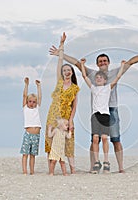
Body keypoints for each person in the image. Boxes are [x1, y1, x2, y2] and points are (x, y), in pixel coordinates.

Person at [49, 34, 138, 173]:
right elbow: (77, 63)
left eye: (104, 61)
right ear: (97, 64)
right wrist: (61, 53)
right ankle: (92, 166)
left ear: (108, 62)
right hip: (96, 112)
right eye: (100, 61)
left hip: (111, 110)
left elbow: (131, 62)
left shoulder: (114, 72)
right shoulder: (93, 74)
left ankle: (120, 167)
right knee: (94, 140)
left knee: (115, 139)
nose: (102, 63)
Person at [81, 58, 125, 173]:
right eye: (97, 78)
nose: (98, 79)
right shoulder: (93, 88)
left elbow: (117, 78)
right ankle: (96, 162)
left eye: (101, 78)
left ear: (105, 80)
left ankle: (106, 161)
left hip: (105, 115)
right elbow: (85, 77)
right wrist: (82, 64)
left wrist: (122, 65)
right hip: (95, 116)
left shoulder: (108, 88)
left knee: (105, 138)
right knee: (95, 139)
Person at [45, 32, 80, 174]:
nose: (66, 71)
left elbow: (74, 106)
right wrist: (62, 45)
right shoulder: (59, 82)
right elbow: (59, 61)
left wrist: (71, 120)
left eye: (68, 70)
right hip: (53, 114)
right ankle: (51, 169)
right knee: (50, 141)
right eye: (64, 70)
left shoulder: (75, 88)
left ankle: (72, 169)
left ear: (72, 72)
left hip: (65, 116)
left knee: (69, 142)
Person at [20, 77, 42, 175]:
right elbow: (24, 95)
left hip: (36, 135)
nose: (32, 103)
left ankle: (32, 171)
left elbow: (40, 97)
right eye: (30, 101)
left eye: (34, 102)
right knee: (25, 154)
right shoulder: (25, 108)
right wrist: (26, 84)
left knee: (33, 154)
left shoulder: (37, 108)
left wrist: (39, 86)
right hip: (28, 134)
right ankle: (25, 170)